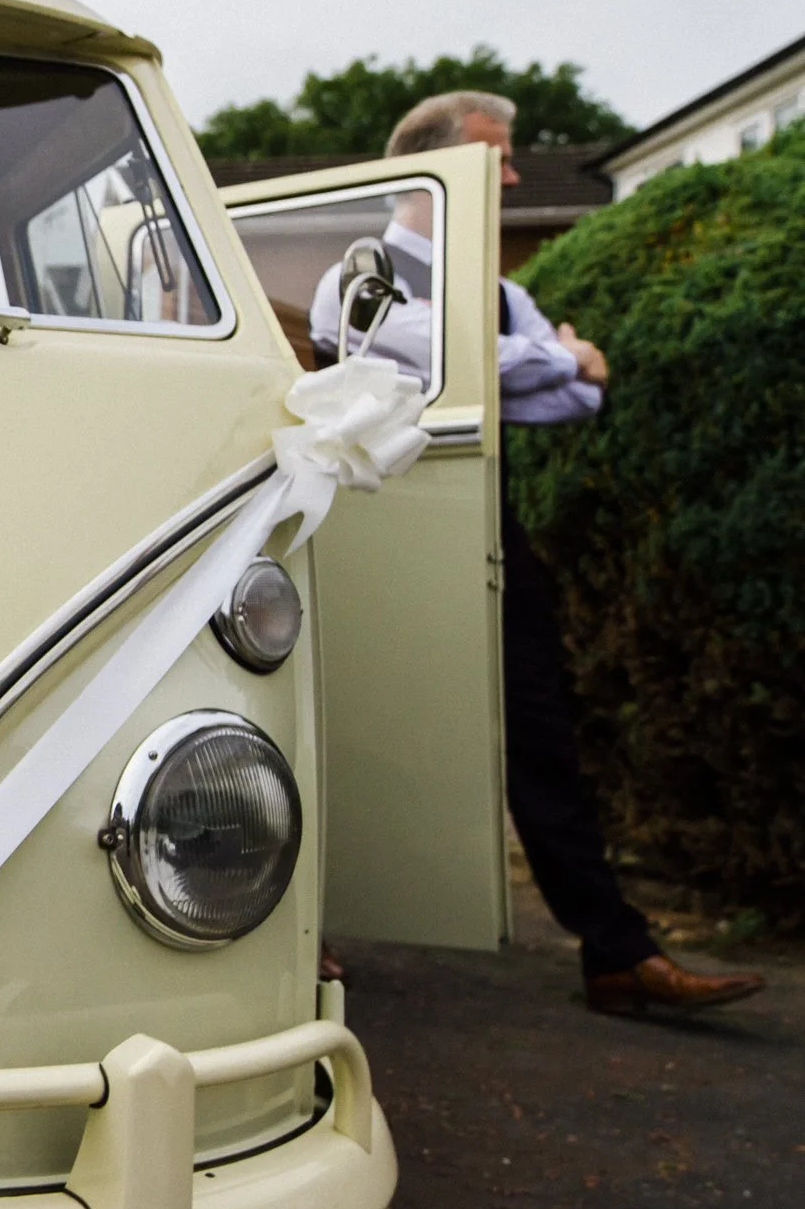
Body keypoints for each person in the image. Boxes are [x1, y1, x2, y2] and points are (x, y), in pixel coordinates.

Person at [309, 91, 762, 1016]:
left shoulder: (503, 289)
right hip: (373, 545)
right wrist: (557, 353)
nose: (514, 175)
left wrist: (535, 360)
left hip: (483, 533)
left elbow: (567, 399)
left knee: (541, 733)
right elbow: (454, 358)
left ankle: (616, 953)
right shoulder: (358, 272)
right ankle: (303, 937)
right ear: (432, 166)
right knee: (350, 726)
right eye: (500, 157)